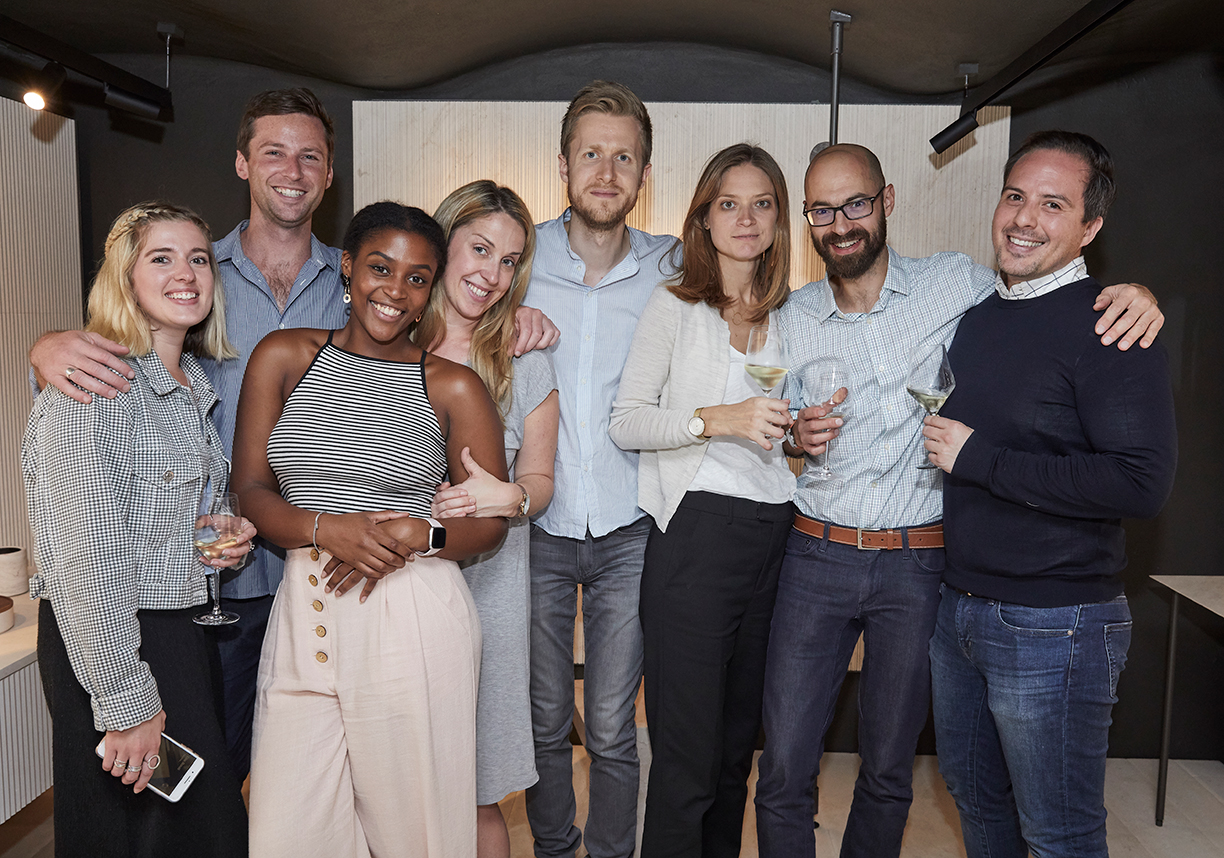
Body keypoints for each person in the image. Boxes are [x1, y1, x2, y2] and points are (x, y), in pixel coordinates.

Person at [28, 87, 557, 779]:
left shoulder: (365, 278)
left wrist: (516, 315)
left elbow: (440, 329)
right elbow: (119, 352)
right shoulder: (197, 273)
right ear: (242, 163)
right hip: (201, 588)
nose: (293, 170)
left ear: (330, 174)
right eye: (274, 151)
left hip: (330, 584)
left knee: (302, 791)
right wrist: (46, 348)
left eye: (310, 156)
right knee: (213, 790)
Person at [754, 142, 1166, 858]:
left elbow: (1059, 298)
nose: (841, 222)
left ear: (886, 201)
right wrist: (795, 436)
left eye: (856, 203)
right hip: (838, 559)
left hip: (932, 570)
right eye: (822, 210)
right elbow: (776, 423)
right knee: (797, 767)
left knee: (898, 773)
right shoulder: (797, 315)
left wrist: (1139, 293)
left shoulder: (959, 285)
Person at [922, 131, 1177, 858]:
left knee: (1059, 835)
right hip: (959, 612)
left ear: (1090, 227)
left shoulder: (1111, 324)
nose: (1024, 218)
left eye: (1053, 205)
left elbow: (1140, 481)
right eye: (1015, 197)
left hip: (1056, 625)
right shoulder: (977, 318)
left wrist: (980, 459)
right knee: (977, 803)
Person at [232, 201, 509, 856]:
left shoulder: (453, 386)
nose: (395, 291)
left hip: (411, 612)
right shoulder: (283, 356)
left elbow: (492, 523)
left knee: (418, 835)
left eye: (417, 277)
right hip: (304, 614)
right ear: (348, 266)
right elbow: (250, 490)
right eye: (381, 268)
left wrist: (423, 535)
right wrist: (326, 528)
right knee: (287, 834)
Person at [24, 202, 255, 857]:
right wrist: (125, 702)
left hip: (177, 633)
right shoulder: (95, 387)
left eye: (199, 258)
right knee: (139, 833)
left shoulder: (190, 386)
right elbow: (83, 557)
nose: (186, 273)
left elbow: (151, 528)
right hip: (112, 640)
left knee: (186, 831)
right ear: (124, 277)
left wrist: (217, 544)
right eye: (162, 258)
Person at [609, 143, 797, 857]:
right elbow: (627, 422)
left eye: (761, 204)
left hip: (776, 536)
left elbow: (787, 437)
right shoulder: (676, 305)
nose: (746, 219)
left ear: (778, 219)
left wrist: (805, 431)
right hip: (695, 536)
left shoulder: (793, 314)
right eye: (729, 204)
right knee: (686, 760)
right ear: (704, 219)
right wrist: (714, 419)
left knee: (733, 755)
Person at [521, 80, 676, 858]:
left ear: (644, 173)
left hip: (630, 528)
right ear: (563, 165)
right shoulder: (515, 260)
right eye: (591, 154)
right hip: (531, 527)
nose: (606, 173)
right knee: (543, 719)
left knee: (613, 725)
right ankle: (555, 848)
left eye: (624, 157)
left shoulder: (673, 266)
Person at [419, 180, 560, 858]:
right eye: (480, 249)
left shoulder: (524, 360)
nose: (492, 275)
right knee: (394, 780)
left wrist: (513, 499)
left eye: (509, 261)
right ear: (443, 242)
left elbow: (541, 481)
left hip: (490, 593)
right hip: (393, 585)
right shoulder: (382, 341)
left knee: (477, 789)